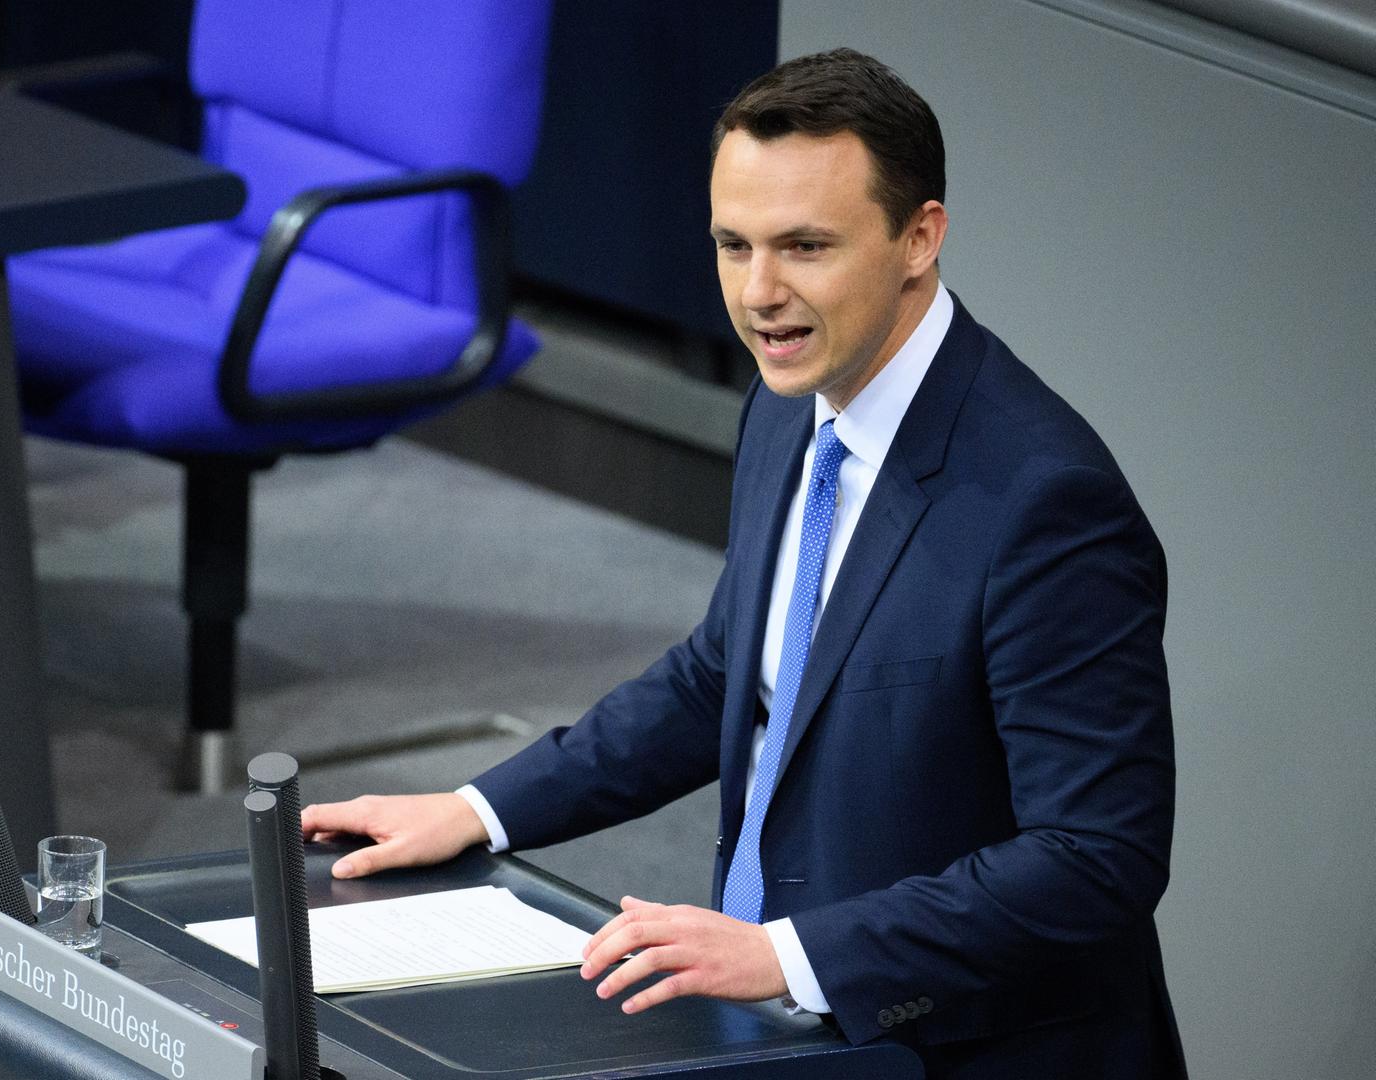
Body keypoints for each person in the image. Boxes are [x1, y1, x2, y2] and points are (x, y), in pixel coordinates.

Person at [300, 49, 1186, 1079]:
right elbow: (729, 675)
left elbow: (1094, 858)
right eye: (734, 246)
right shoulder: (786, 402)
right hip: (782, 1034)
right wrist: (478, 811)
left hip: (961, 1051)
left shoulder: (1044, 504)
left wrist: (788, 955)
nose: (759, 294)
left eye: (805, 246)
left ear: (920, 238)